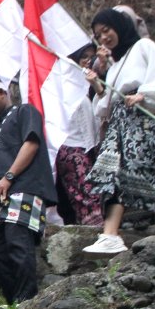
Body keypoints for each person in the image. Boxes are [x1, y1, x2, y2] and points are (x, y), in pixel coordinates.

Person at [0, 77, 56, 303]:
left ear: (2, 92)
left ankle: (28, 302)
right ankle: (14, 303)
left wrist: (8, 177)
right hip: (1, 196)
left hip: (24, 188)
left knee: (18, 245)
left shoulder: (24, 112)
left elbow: (31, 143)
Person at [83, 8, 155, 255]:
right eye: (98, 35)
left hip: (143, 122)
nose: (104, 38)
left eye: (107, 30)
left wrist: (143, 95)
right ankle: (110, 234)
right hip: (120, 123)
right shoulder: (114, 66)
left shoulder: (144, 46)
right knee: (113, 175)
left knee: (142, 169)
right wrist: (97, 81)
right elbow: (105, 105)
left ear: (120, 26)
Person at [54, 44, 103, 226]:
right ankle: (93, 230)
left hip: (87, 147)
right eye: (84, 56)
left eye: (91, 57)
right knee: (84, 193)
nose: (88, 61)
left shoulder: (85, 84)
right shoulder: (64, 87)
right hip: (71, 148)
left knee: (91, 191)